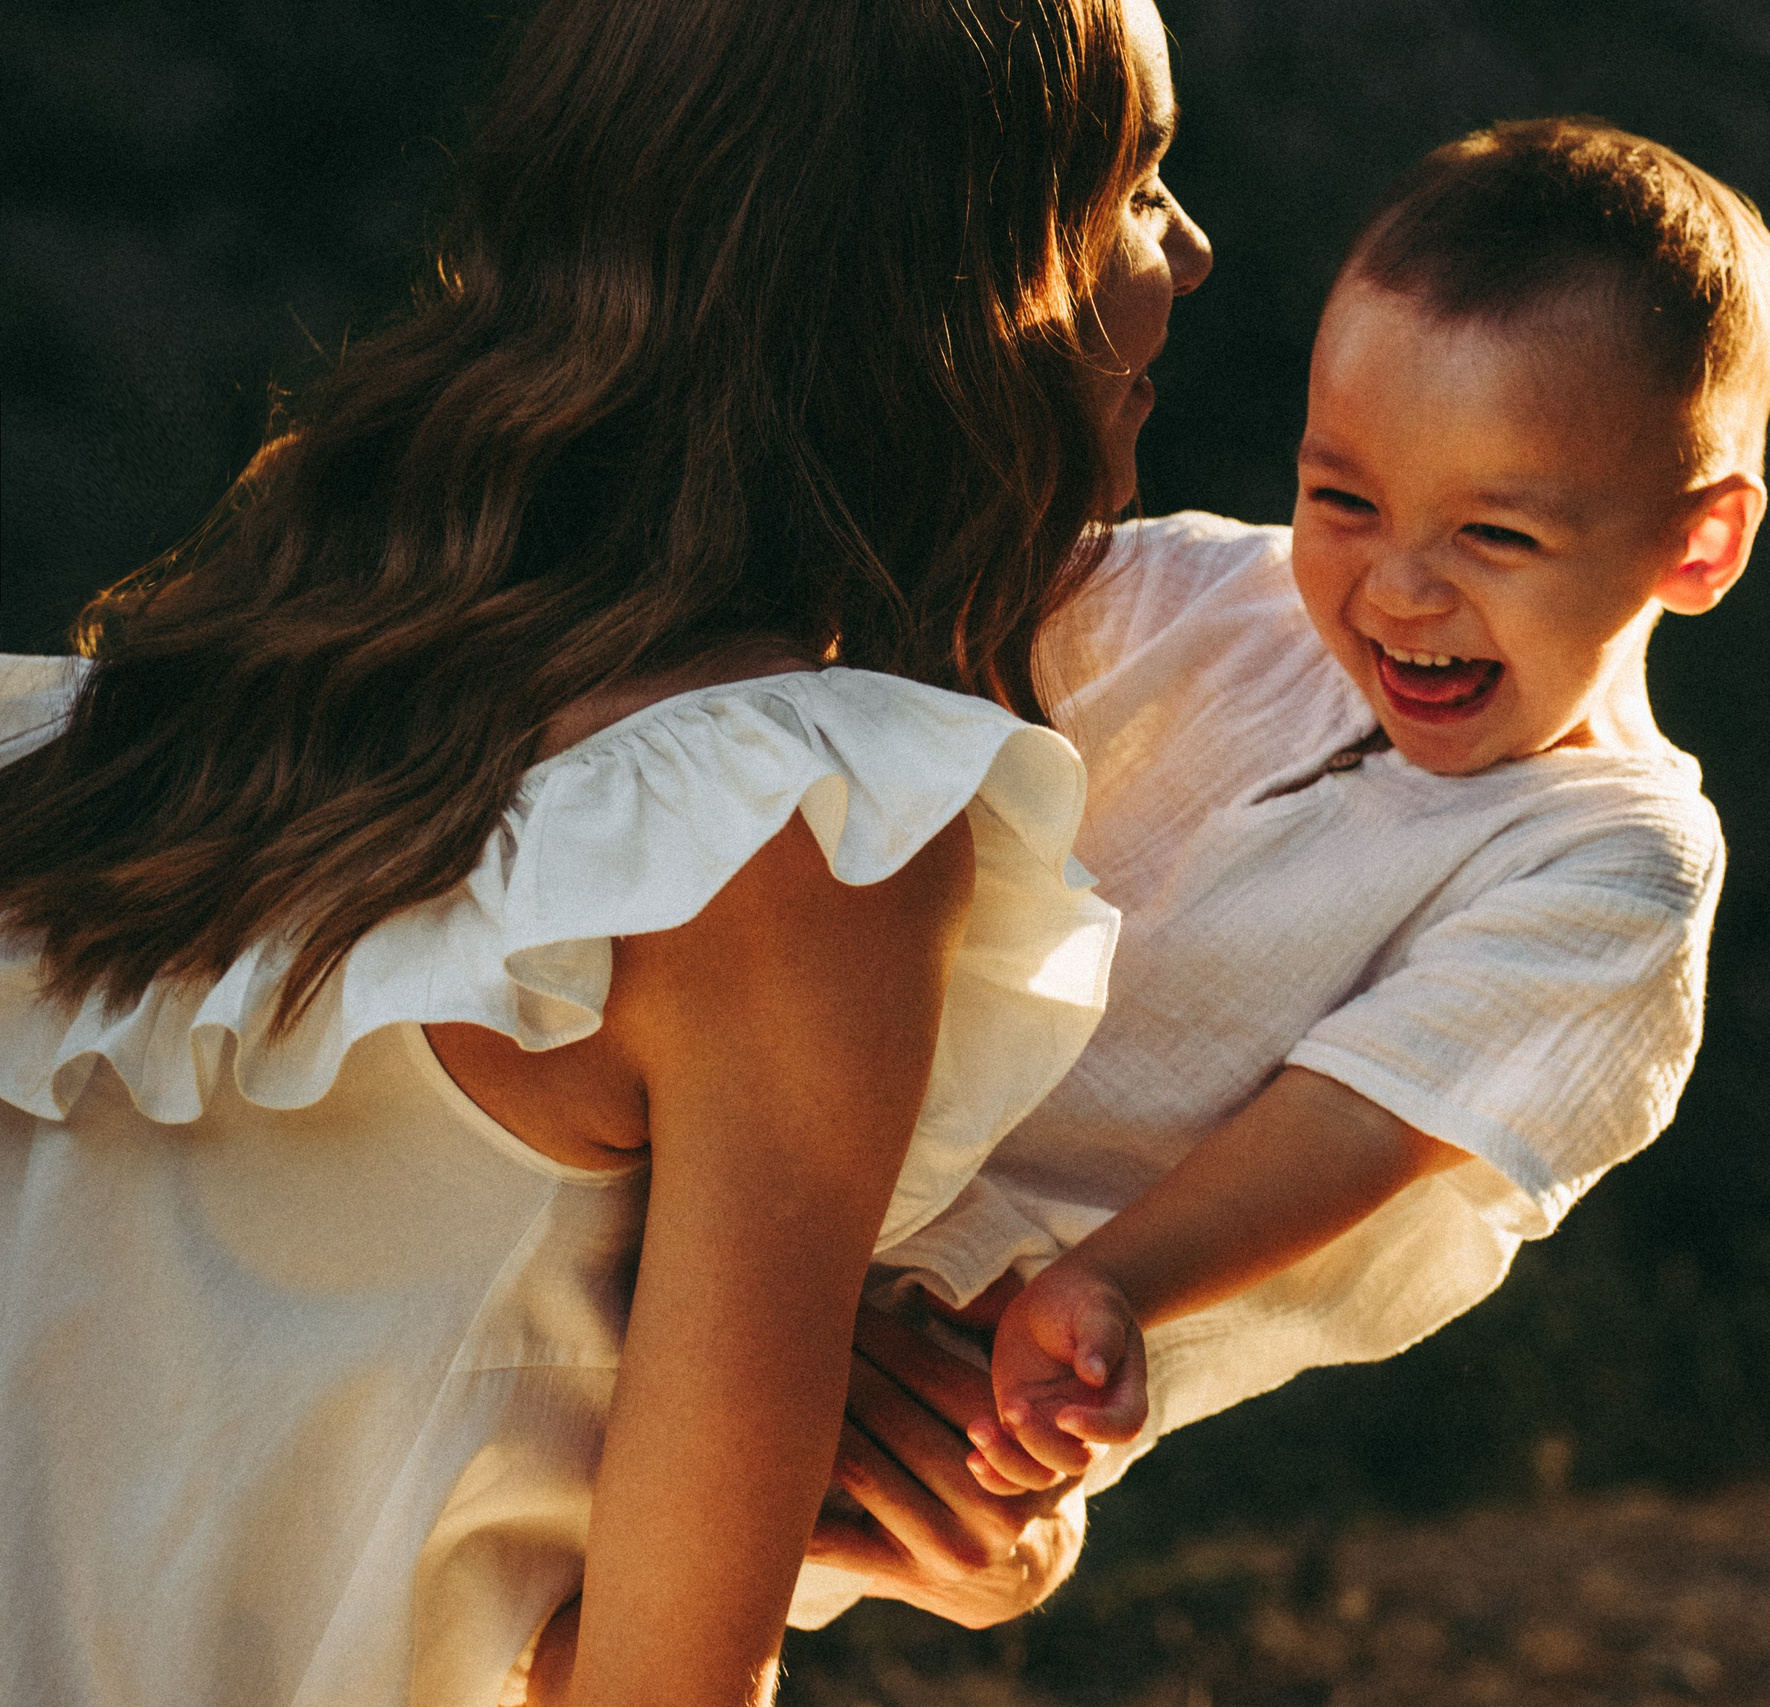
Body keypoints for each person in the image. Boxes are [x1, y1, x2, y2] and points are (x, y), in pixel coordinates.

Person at [0, 2, 1208, 1704]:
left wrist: (902, 1524)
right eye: (1134, 180)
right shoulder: (795, 832)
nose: (1193, 248)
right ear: (944, 268)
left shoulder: (156, 732)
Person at [791, 116, 1770, 1620]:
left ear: (1698, 547)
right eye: (1345, 499)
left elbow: (1354, 1118)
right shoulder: (1208, 595)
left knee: (589, 1593)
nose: (1398, 586)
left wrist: (1113, 1284)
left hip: (978, 1362)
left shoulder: (1611, 862)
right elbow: (923, 648)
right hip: (773, 1171)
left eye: (1498, 533)